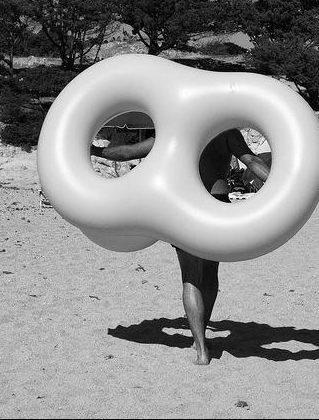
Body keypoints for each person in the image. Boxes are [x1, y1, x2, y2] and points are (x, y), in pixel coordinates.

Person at [90, 128, 270, 365]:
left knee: (191, 277)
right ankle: (200, 337)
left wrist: (93, 149)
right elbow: (252, 160)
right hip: (217, 205)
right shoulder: (226, 131)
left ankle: (201, 349)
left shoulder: (174, 126)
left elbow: (126, 153)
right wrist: (283, 187)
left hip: (185, 207)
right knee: (210, 274)